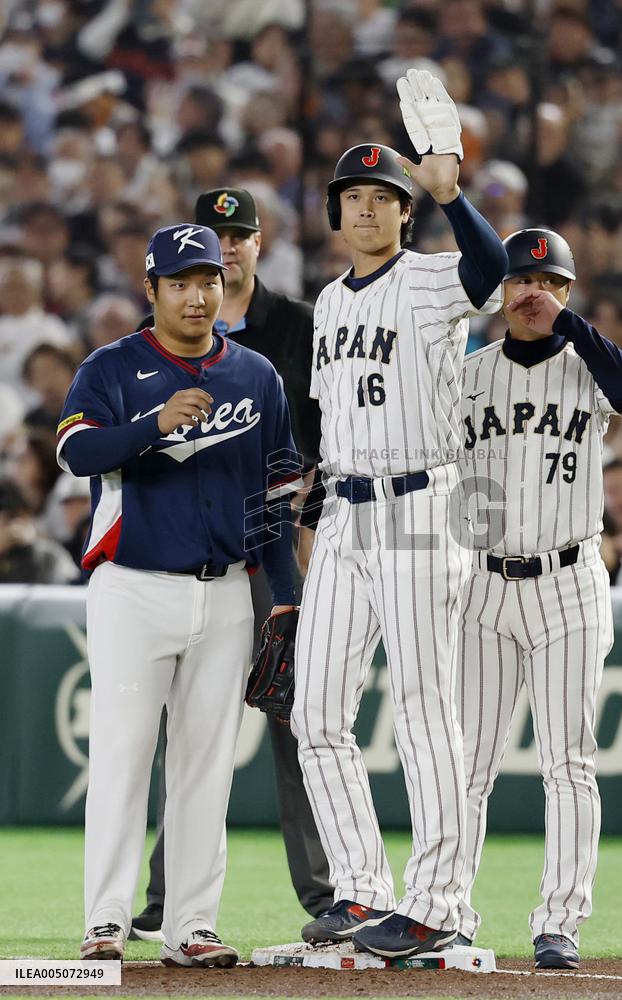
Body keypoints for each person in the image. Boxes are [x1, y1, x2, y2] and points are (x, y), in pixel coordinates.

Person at [291, 69, 508, 960]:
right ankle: (360, 889)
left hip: (425, 504)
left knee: (424, 709)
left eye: (384, 196)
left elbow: (491, 274)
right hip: (346, 511)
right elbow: (327, 423)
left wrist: (455, 196)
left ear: (403, 212)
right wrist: (309, 518)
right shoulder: (328, 306)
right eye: (354, 197)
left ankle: (440, 901)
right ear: (336, 215)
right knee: (314, 714)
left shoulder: (429, 280)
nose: (368, 209)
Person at [58, 223, 301, 965]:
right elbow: (73, 450)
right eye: (181, 283)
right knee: (124, 755)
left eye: (209, 282)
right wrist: (149, 425)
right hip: (132, 587)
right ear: (152, 290)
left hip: (226, 591)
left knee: (204, 765)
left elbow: (275, 496)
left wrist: (285, 599)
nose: (198, 296)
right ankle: (105, 920)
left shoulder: (256, 375)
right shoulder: (114, 365)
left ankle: (190, 925)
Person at [128, 187, 332, 944]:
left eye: (239, 234)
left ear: (256, 243)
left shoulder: (303, 327)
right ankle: (164, 897)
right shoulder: (152, 343)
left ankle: (327, 895)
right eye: (214, 237)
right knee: (182, 727)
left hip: (281, 547)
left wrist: (309, 531)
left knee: (297, 718)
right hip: (193, 558)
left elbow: (332, 440)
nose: (229, 246)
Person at [456, 228, 622, 968]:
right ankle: (448, 907)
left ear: (569, 294)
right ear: (496, 290)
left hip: (570, 581)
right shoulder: (467, 373)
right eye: (517, 279)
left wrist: (567, 323)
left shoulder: (592, 368)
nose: (530, 292)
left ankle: (559, 923)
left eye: (547, 282)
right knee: (465, 763)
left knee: (567, 761)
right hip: (479, 582)